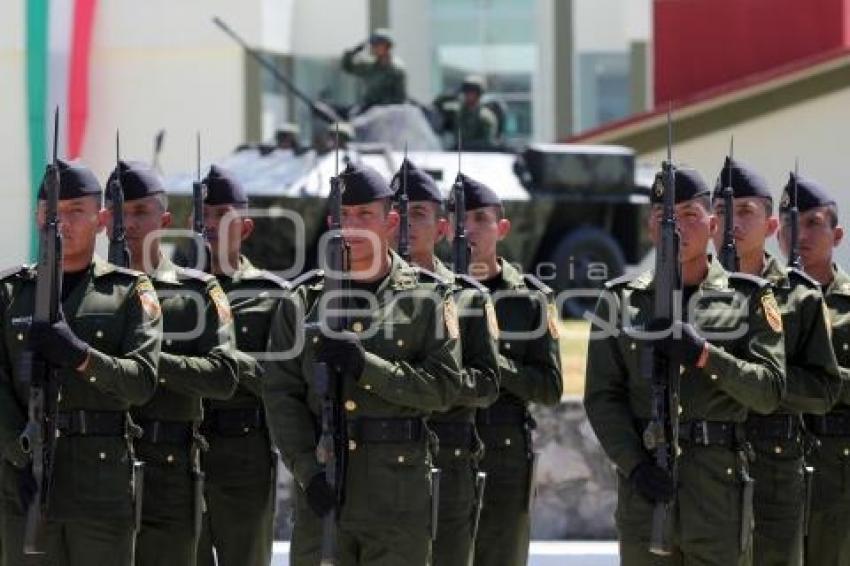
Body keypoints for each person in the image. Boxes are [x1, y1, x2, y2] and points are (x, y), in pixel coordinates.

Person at [584, 166, 787, 565]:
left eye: (689, 215)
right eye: (663, 216)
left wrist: (706, 356)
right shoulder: (618, 300)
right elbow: (602, 397)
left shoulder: (747, 298)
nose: (674, 225)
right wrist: (635, 466)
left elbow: (769, 391)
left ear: (713, 225)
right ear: (649, 228)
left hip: (718, 497)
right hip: (645, 494)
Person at [264, 162, 464, 565]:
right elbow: (280, 393)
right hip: (323, 486)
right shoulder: (302, 300)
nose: (351, 226)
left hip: (398, 495)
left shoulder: (429, 298)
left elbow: (444, 388)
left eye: (364, 216)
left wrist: (365, 366)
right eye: (344, 216)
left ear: (390, 222)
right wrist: (308, 472)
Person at [0, 159, 162, 565]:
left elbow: (141, 382)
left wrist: (80, 356)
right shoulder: (10, 292)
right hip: (24, 482)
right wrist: (16, 453)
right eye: (52, 212)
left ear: (102, 219)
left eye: (76, 212)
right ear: (38, 216)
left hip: (101, 487)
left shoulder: (128, 291)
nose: (61, 223)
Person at [103, 160, 239, 566]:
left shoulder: (197, 293)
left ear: (163, 219)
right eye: (119, 213)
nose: (128, 224)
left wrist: (144, 362)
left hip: (168, 467)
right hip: (94, 469)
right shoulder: (80, 293)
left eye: (140, 212)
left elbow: (223, 376)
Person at [710, 158, 840, 566]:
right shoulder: (687, 293)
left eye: (745, 212)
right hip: (707, 465)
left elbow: (823, 389)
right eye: (721, 213)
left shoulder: (799, 298)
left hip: (777, 461)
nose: (732, 224)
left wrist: (760, 383)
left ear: (770, 228)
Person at [448, 173, 563, 565]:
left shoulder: (530, 300)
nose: (469, 229)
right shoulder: (428, 293)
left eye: (480, 218)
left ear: (502, 227)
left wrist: (490, 361)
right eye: (460, 218)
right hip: (443, 444)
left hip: (504, 450)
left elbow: (549, 387)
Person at [392, 159, 500, 565]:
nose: (405, 224)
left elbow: (488, 383)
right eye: (398, 214)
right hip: (380, 461)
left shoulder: (467, 297)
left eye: (418, 214)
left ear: (441, 228)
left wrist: (427, 385)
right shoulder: (352, 296)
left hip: (449, 456)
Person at [195, 166, 290, 566]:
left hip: (245, 453)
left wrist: (229, 364)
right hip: (183, 452)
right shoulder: (168, 291)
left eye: (223, 215)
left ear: (246, 227)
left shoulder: (273, 295)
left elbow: (284, 380)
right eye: (204, 215)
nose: (211, 224)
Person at [775, 174, 850, 565]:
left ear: (836, 236)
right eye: (788, 222)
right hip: (773, 462)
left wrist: (820, 379)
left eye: (812, 223)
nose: (798, 233)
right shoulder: (762, 302)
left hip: (837, 469)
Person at [341, 28, 406, 111]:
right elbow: (347, 66)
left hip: (385, 114)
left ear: (387, 47)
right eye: (372, 45)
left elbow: (399, 100)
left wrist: (382, 106)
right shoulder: (369, 68)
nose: (373, 47)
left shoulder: (396, 73)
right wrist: (357, 49)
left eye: (377, 44)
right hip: (367, 111)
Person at [456, 75, 499, 151]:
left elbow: (487, 143)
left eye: (472, 91)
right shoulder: (458, 113)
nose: (468, 95)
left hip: (479, 156)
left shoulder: (485, 117)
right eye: (466, 91)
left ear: (479, 93)